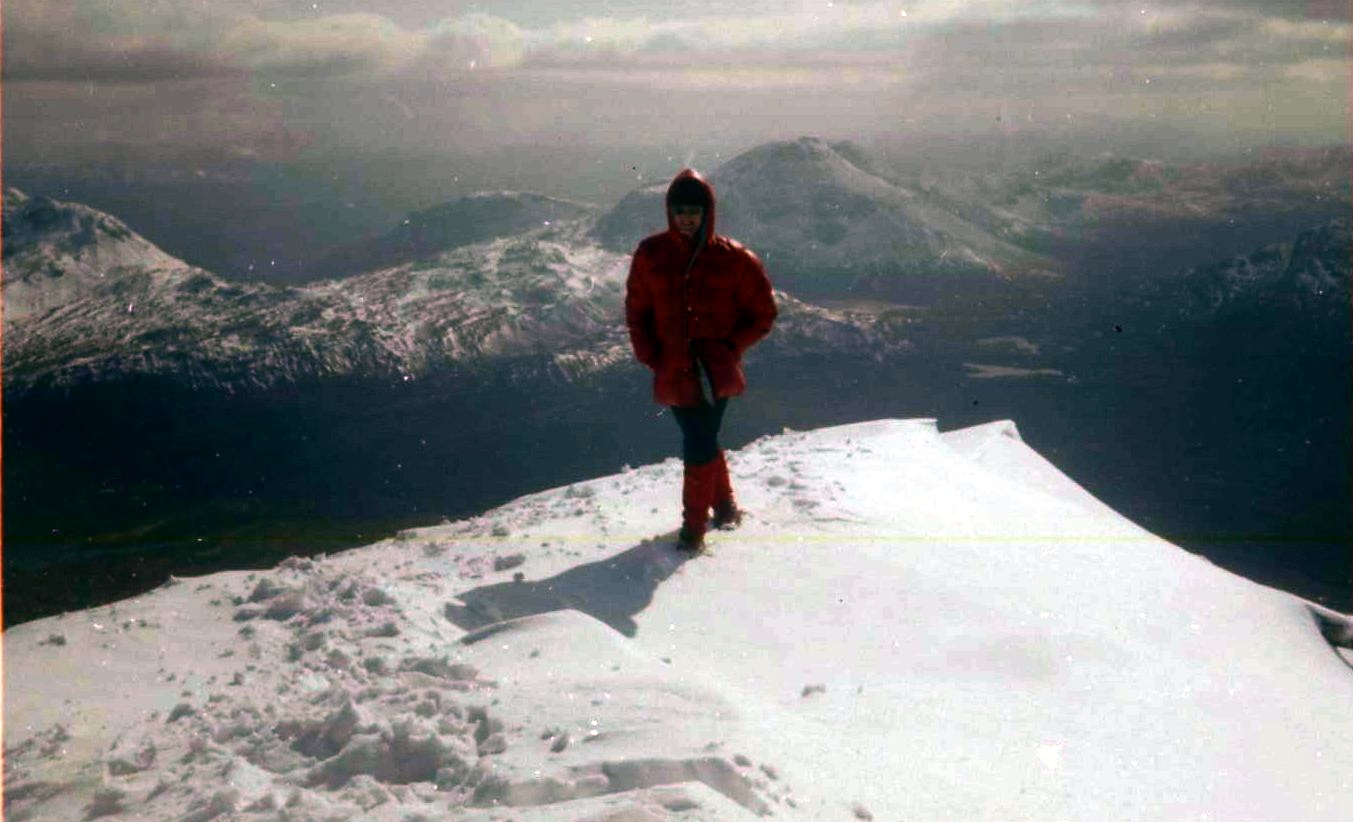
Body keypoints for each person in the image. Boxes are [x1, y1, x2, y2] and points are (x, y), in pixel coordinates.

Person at [624, 168, 778, 551]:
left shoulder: (733, 258)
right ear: (669, 213)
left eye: (693, 210)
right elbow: (637, 309)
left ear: (707, 212)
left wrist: (729, 348)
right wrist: (650, 354)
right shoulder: (650, 254)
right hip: (673, 368)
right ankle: (724, 506)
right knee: (703, 438)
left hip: (714, 371)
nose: (686, 218)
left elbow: (763, 313)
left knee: (698, 440)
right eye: (680, 211)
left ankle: (693, 529)